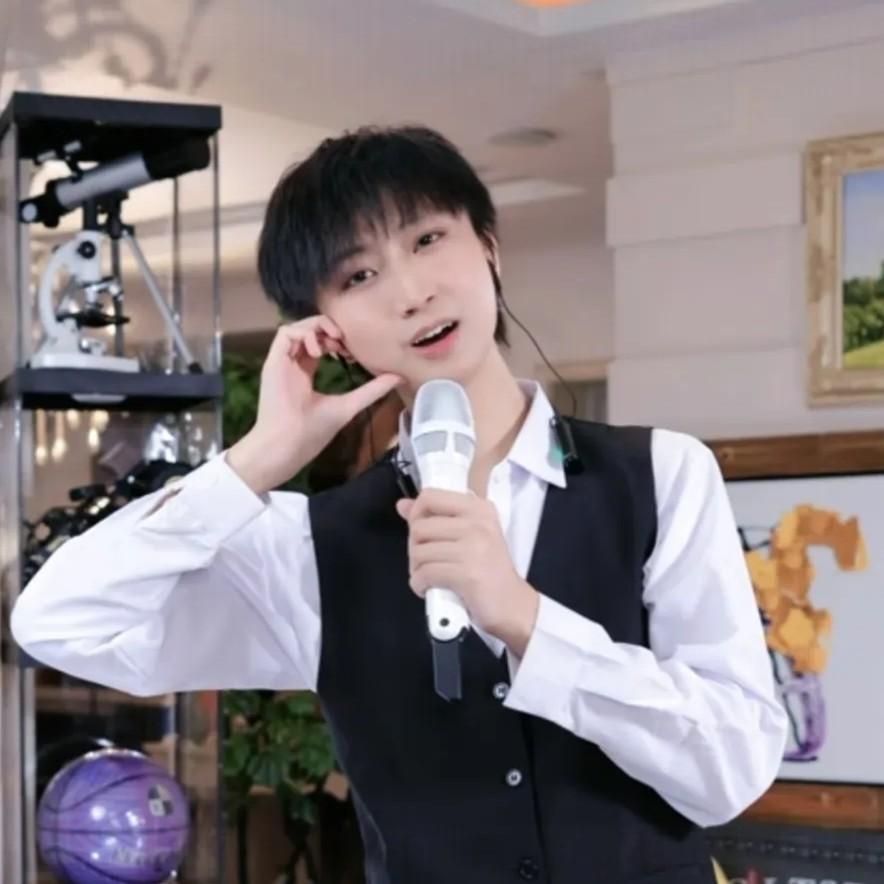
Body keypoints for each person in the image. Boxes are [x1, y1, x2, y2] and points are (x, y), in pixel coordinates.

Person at [11, 126, 787, 884]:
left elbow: (732, 771)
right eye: (358, 276)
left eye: (427, 240)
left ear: (489, 247)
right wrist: (259, 458)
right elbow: (58, 621)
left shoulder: (660, 475)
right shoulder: (308, 549)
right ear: (328, 333)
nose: (412, 293)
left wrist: (525, 618)